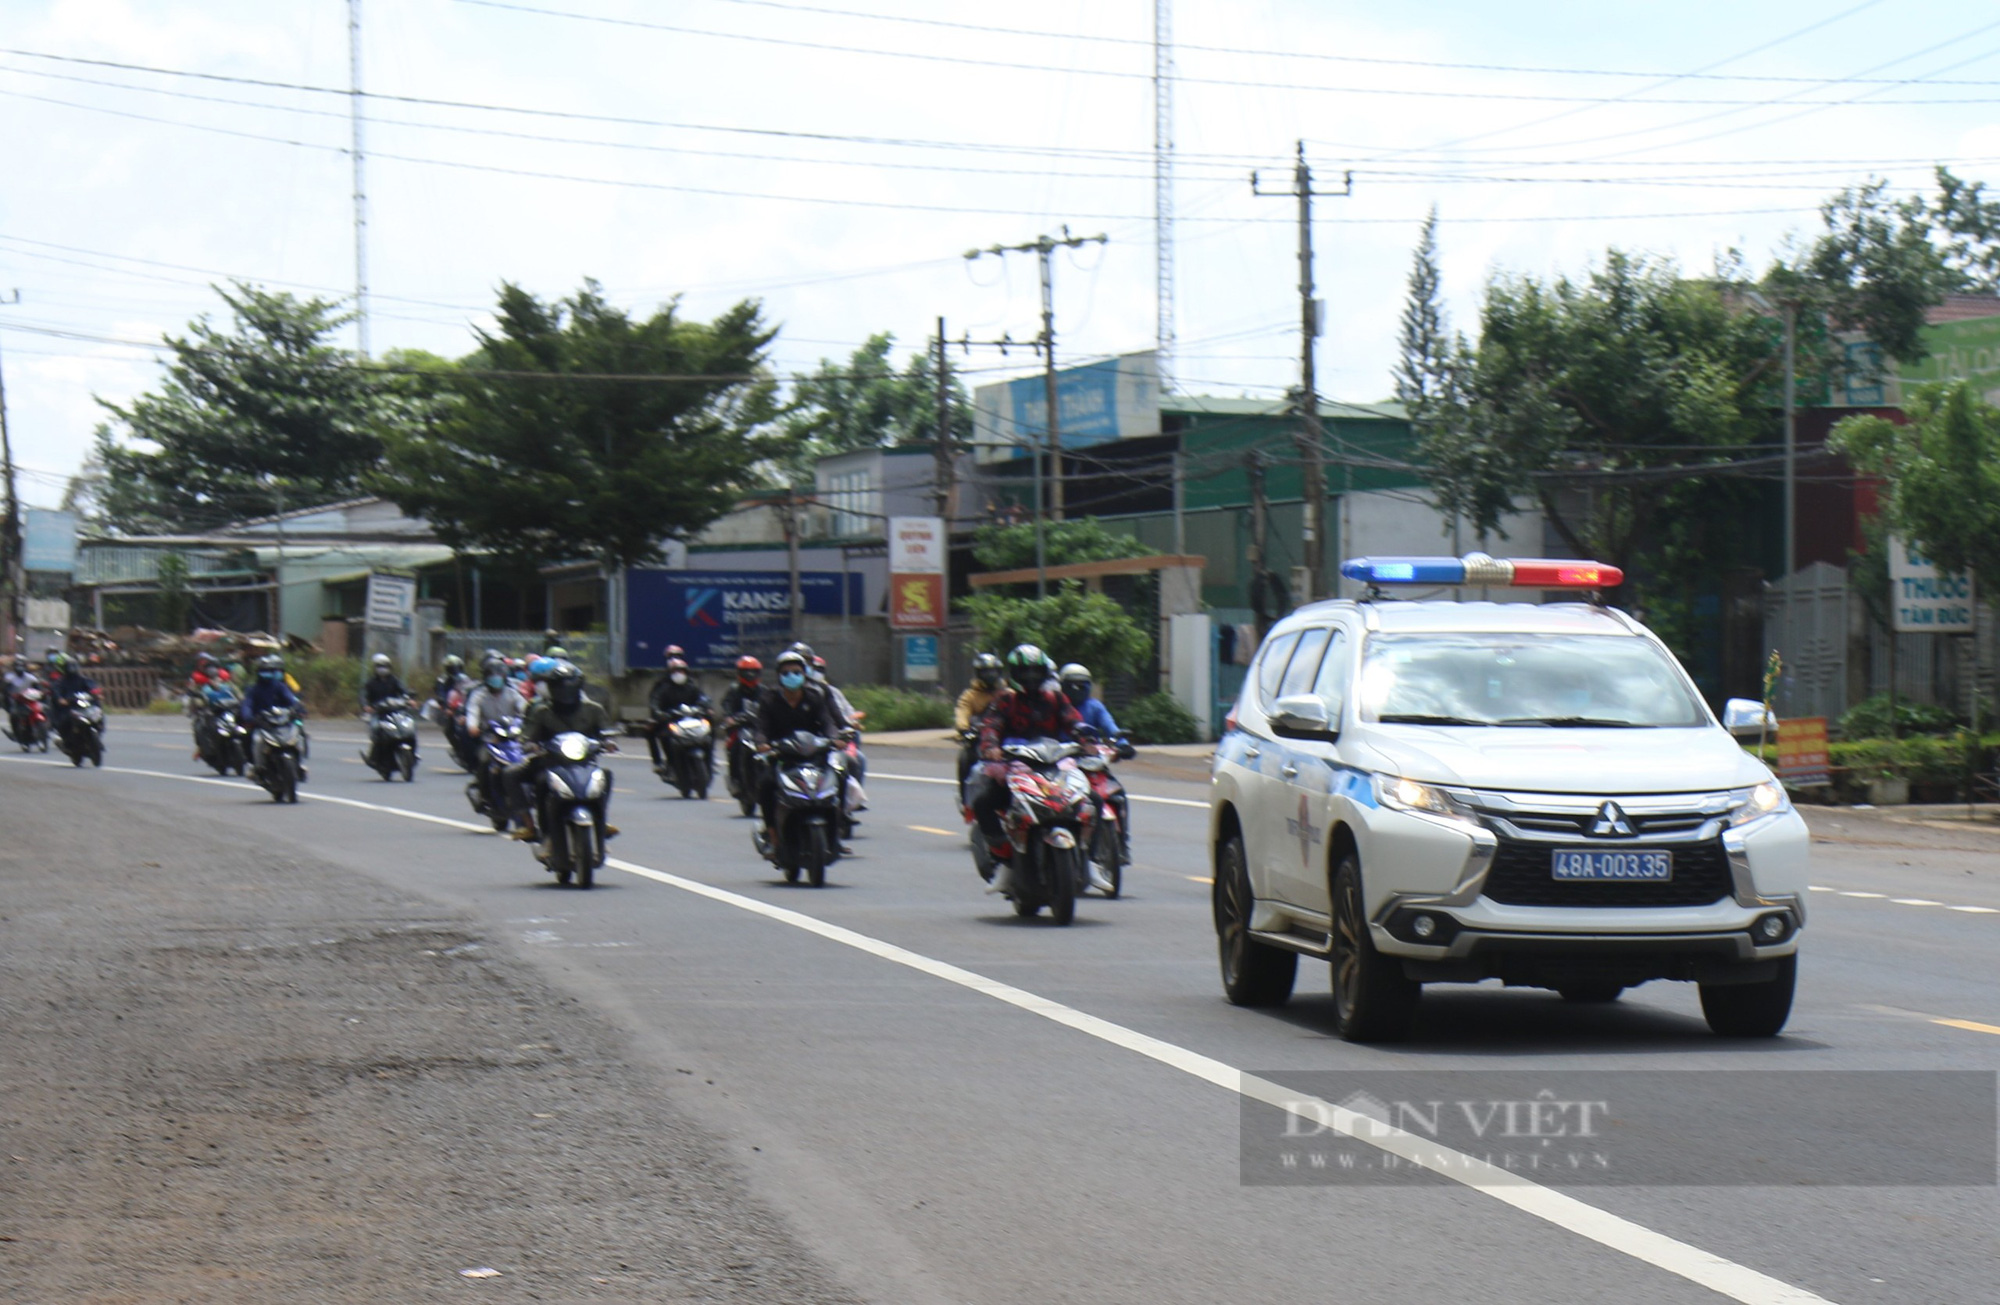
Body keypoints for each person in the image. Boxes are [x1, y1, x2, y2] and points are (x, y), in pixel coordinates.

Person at [971, 643, 1082, 886]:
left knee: (1091, 799)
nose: (1031, 678)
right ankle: (1003, 858)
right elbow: (992, 725)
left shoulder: (1056, 698)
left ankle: (1089, 859)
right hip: (1015, 767)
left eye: (1035, 672)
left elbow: (1073, 721)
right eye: (1025, 672)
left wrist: (1087, 737)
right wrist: (991, 747)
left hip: (1054, 765)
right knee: (983, 802)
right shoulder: (1005, 699)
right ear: (1015, 674)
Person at [508, 661, 616, 842]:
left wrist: (608, 742)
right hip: (550, 763)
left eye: (570, 686)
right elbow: (527, 735)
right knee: (515, 775)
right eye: (560, 687)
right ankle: (529, 825)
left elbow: (607, 731)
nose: (566, 691)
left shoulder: (593, 709)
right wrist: (529, 744)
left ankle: (601, 820)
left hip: (584, 763)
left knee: (605, 776)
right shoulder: (542, 711)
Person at [751, 649, 845, 854]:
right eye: (786, 673)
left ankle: (837, 829)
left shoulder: (814, 697)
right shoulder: (769, 699)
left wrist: (835, 738)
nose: (791, 677)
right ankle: (772, 834)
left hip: (813, 755)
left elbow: (828, 722)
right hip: (782, 756)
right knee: (766, 784)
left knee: (840, 774)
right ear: (779, 676)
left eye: (796, 672)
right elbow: (761, 727)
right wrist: (762, 743)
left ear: (804, 675)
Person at [238, 654, 305, 773]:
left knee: (298, 737)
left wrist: (297, 709)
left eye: (270, 671)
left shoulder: (280, 686)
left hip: (281, 721)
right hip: (263, 723)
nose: (267, 674)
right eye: (264, 671)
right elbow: (247, 706)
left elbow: (290, 700)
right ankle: (256, 767)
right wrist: (249, 717)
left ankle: (300, 764)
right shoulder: (254, 689)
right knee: (255, 739)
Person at [954, 652, 1004, 804]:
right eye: (985, 671)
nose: (990, 675)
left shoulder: (1007, 693)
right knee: (964, 758)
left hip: (1003, 738)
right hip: (979, 739)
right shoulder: (970, 695)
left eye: (993, 671)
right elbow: (962, 712)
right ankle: (966, 801)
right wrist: (964, 730)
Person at [646, 655, 712, 770]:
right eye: (676, 671)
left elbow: (703, 698)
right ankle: (662, 763)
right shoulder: (663, 688)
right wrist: (659, 713)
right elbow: (655, 702)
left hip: (691, 719)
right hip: (671, 720)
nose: (679, 674)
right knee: (658, 733)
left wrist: (705, 707)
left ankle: (709, 761)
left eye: (681, 671)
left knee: (709, 731)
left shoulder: (691, 687)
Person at [463, 656, 526, 738]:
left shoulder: (512, 693)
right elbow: (473, 712)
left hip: (511, 733)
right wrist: (472, 726)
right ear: (486, 678)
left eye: (499, 676)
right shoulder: (478, 695)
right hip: (488, 734)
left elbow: (524, 708)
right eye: (492, 676)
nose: (496, 679)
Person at [4, 656, 39, 741]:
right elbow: (5, 690)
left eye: (21, 666)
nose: (19, 668)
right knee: (13, 715)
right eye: (17, 666)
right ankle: (15, 733)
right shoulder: (9, 678)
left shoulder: (30, 678)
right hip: (17, 701)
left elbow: (37, 688)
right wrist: (10, 695)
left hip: (30, 700)